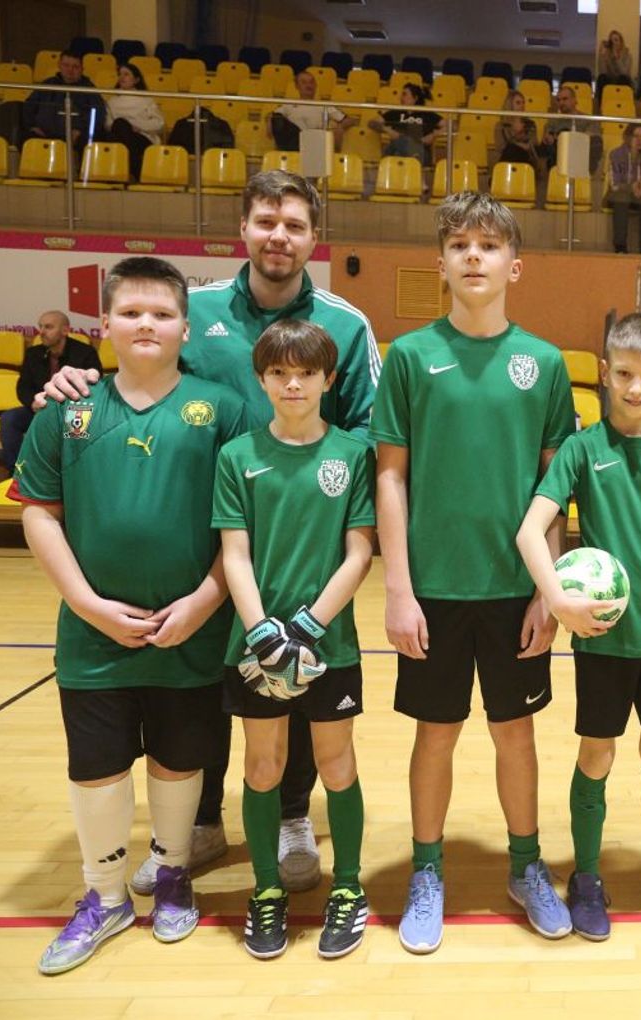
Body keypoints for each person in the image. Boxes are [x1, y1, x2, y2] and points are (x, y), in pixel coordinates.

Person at [42, 170, 381, 900]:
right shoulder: (191, 309)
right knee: (211, 683)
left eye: (294, 225)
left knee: (292, 669)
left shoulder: (346, 324)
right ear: (243, 228)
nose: (279, 236)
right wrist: (72, 381)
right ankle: (199, 821)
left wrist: (316, 491)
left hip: (298, 540)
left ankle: (292, 814)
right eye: (266, 221)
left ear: (314, 237)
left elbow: (368, 433)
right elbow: (144, 373)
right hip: (210, 536)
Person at [11, 256, 248, 975]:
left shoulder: (222, 410)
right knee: (98, 766)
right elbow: (39, 513)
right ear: (105, 323)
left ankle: (172, 875)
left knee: (181, 759)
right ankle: (106, 896)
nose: (147, 324)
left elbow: (244, 527)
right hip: (93, 637)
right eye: (132, 312)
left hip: (191, 631)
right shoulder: (67, 411)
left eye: (163, 313)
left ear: (186, 328)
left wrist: (204, 601)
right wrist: (86, 604)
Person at [373, 192, 574, 952]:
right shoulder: (409, 357)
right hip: (433, 590)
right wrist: (398, 588)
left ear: (514, 266)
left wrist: (548, 589)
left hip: (516, 590)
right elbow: (390, 477)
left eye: (488, 245)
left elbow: (555, 485)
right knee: (436, 732)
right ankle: (427, 871)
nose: (473, 256)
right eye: (459, 244)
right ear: (441, 264)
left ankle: (527, 865)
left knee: (514, 731)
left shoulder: (545, 363)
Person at [517, 312, 641, 940]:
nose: (635, 388)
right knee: (596, 755)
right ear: (604, 373)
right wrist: (557, 601)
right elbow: (530, 531)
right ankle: (588, 877)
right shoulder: (581, 450)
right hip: (603, 641)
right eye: (624, 373)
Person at [215, 319, 374, 960]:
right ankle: (267, 889)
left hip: (329, 644)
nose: (293, 384)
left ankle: (349, 887)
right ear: (261, 379)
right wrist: (263, 634)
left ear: (328, 379)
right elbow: (234, 554)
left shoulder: (352, 455)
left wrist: (306, 628)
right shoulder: (237, 456)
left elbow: (359, 553)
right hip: (256, 649)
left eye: (307, 373)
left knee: (337, 765)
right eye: (279, 373)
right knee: (263, 766)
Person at [1, 310, 100, 473]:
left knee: (78, 423)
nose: (41, 332)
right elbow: (23, 387)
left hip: (73, 410)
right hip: (40, 409)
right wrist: (32, 402)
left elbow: (94, 388)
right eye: (40, 326)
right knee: (9, 419)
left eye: (48, 327)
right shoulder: (33, 353)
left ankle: (74, 472)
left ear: (65, 330)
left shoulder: (85, 352)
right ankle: (17, 471)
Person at [22, 50, 106, 150]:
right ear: (59, 65)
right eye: (66, 65)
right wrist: (32, 126)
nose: (70, 70)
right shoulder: (47, 85)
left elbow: (98, 114)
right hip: (43, 134)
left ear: (82, 69)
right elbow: (29, 106)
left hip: (77, 138)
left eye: (75, 67)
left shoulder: (89, 89)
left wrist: (82, 131)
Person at [104, 63, 163, 180]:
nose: (122, 77)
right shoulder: (112, 101)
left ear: (136, 80)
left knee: (121, 125)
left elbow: (159, 123)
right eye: (120, 74)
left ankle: (128, 172)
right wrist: (125, 127)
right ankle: (134, 171)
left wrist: (137, 126)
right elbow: (108, 124)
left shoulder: (147, 100)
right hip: (118, 136)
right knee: (119, 124)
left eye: (126, 74)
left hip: (141, 137)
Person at [606, 123, 641, 256]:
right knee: (621, 199)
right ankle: (620, 246)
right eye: (636, 136)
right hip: (620, 192)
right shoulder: (616, 154)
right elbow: (615, 183)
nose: (639, 140)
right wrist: (630, 187)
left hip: (640, 193)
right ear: (628, 137)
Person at [271, 71, 346, 151]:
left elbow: (347, 119)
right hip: (293, 141)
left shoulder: (324, 105)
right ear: (297, 86)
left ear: (316, 85)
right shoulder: (289, 104)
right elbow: (275, 117)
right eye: (304, 82)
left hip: (315, 141)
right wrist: (270, 120)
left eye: (311, 82)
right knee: (277, 119)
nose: (309, 85)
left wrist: (340, 126)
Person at [372, 83, 439, 164]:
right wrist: (388, 130)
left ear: (415, 98)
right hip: (398, 148)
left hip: (421, 150)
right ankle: (410, 157)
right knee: (400, 141)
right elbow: (373, 123)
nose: (401, 98)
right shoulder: (395, 113)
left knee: (402, 142)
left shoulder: (427, 114)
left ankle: (410, 156)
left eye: (404, 94)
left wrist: (433, 135)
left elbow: (450, 126)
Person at [543, 84, 602, 173]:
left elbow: (592, 141)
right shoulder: (552, 121)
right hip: (558, 160)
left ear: (575, 100)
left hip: (581, 160)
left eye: (565, 99)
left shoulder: (588, 120)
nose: (561, 103)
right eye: (558, 100)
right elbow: (547, 137)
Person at [496, 89, 543, 173]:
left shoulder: (530, 124)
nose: (522, 105)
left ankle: (501, 176)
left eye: (523, 103)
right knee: (511, 150)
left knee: (515, 151)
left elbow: (533, 144)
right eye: (518, 103)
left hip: (527, 159)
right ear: (510, 105)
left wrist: (519, 143)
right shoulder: (501, 125)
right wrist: (518, 138)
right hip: (508, 157)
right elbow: (501, 147)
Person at [597, 30, 635, 96]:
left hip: (624, 82)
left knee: (623, 78)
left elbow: (624, 73)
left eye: (616, 40)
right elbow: (602, 72)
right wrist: (602, 56)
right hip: (610, 82)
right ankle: (602, 101)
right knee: (602, 78)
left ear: (621, 42)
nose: (614, 43)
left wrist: (617, 59)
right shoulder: (607, 55)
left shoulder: (627, 55)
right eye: (612, 41)